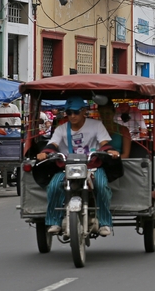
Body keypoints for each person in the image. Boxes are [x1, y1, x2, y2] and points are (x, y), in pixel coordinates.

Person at [36, 97, 121, 236]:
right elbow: (53, 144)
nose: (72, 116)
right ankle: (54, 222)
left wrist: (110, 151)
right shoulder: (61, 129)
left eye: (75, 112)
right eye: (69, 112)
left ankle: (104, 222)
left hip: (92, 165)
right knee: (54, 186)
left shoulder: (96, 125)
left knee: (101, 185)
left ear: (83, 111)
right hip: (67, 166)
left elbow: (104, 143)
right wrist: (44, 153)